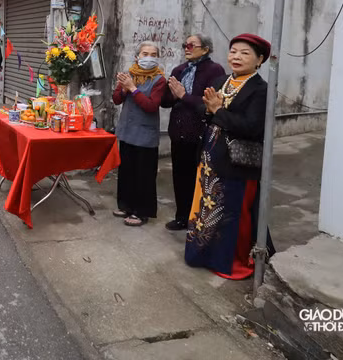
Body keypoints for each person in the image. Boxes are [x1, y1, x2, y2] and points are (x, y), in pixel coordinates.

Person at [185, 34, 273, 279]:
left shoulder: (261, 89)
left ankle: (231, 263)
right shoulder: (222, 80)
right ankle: (202, 254)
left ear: (259, 60)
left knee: (233, 212)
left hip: (238, 162)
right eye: (233, 51)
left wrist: (217, 110)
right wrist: (208, 109)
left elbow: (252, 128)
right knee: (204, 207)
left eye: (245, 53)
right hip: (211, 157)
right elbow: (207, 111)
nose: (236, 56)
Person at [160, 34, 226, 231]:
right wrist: (172, 95)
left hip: (201, 133)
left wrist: (184, 96)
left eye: (191, 45)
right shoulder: (179, 70)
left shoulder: (214, 70)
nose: (186, 48)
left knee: (201, 179)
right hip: (178, 132)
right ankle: (182, 216)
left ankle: (200, 220)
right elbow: (165, 102)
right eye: (184, 45)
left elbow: (208, 105)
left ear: (205, 49)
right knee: (180, 177)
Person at [112, 41, 167, 227]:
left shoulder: (159, 79)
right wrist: (124, 88)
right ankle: (126, 205)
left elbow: (151, 106)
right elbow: (116, 99)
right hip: (128, 131)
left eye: (153, 54)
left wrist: (133, 89)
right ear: (137, 56)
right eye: (145, 54)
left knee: (143, 175)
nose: (149, 58)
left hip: (145, 134)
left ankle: (141, 212)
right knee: (126, 171)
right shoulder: (130, 74)